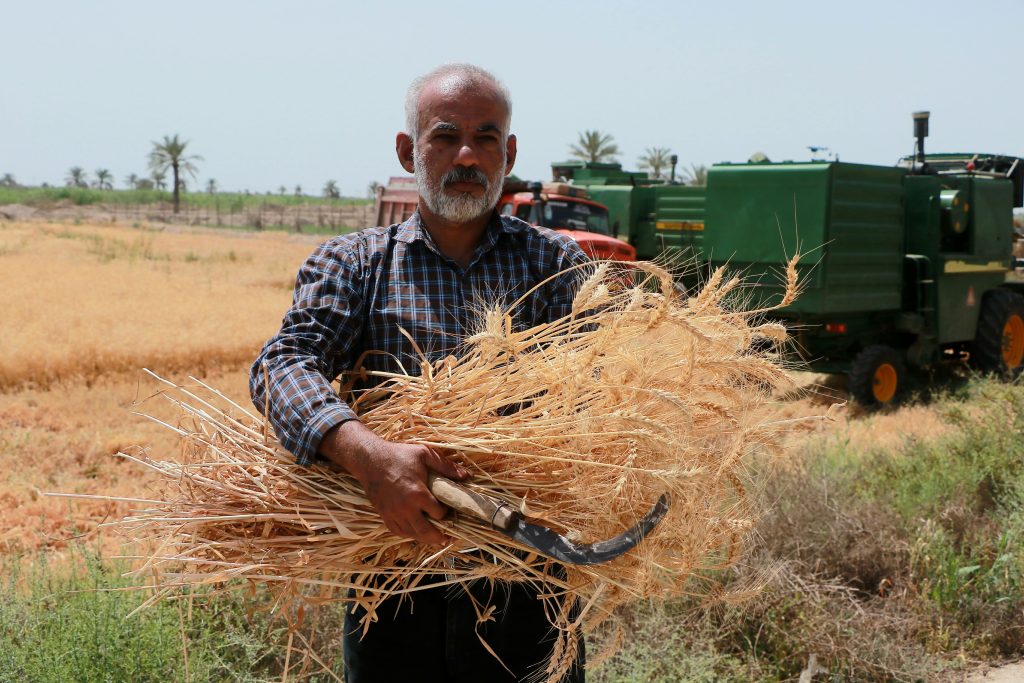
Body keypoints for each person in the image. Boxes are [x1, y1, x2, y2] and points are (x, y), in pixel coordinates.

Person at [250, 63, 588, 682]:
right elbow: (283, 365)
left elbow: (607, 389)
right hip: (392, 569)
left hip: (527, 571)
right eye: (444, 136)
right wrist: (367, 455)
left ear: (508, 154)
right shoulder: (355, 264)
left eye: (486, 138)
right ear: (409, 151)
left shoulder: (559, 265)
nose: (467, 155)